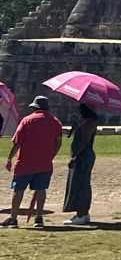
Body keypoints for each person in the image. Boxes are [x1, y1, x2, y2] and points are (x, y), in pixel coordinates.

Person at [3, 96, 64, 228]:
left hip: (25, 162)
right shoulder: (55, 122)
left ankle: (13, 218)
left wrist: (9, 158)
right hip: (45, 163)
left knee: (18, 190)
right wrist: (51, 156)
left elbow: (17, 142)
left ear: (34, 108)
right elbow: (58, 143)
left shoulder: (27, 120)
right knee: (41, 190)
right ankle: (39, 218)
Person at [63, 103, 99, 225]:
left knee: (81, 184)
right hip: (83, 155)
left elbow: (83, 141)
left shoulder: (89, 123)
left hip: (83, 156)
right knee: (79, 183)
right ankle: (82, 213)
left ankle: (82, 214)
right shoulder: (87, 122)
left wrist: (75, 156)